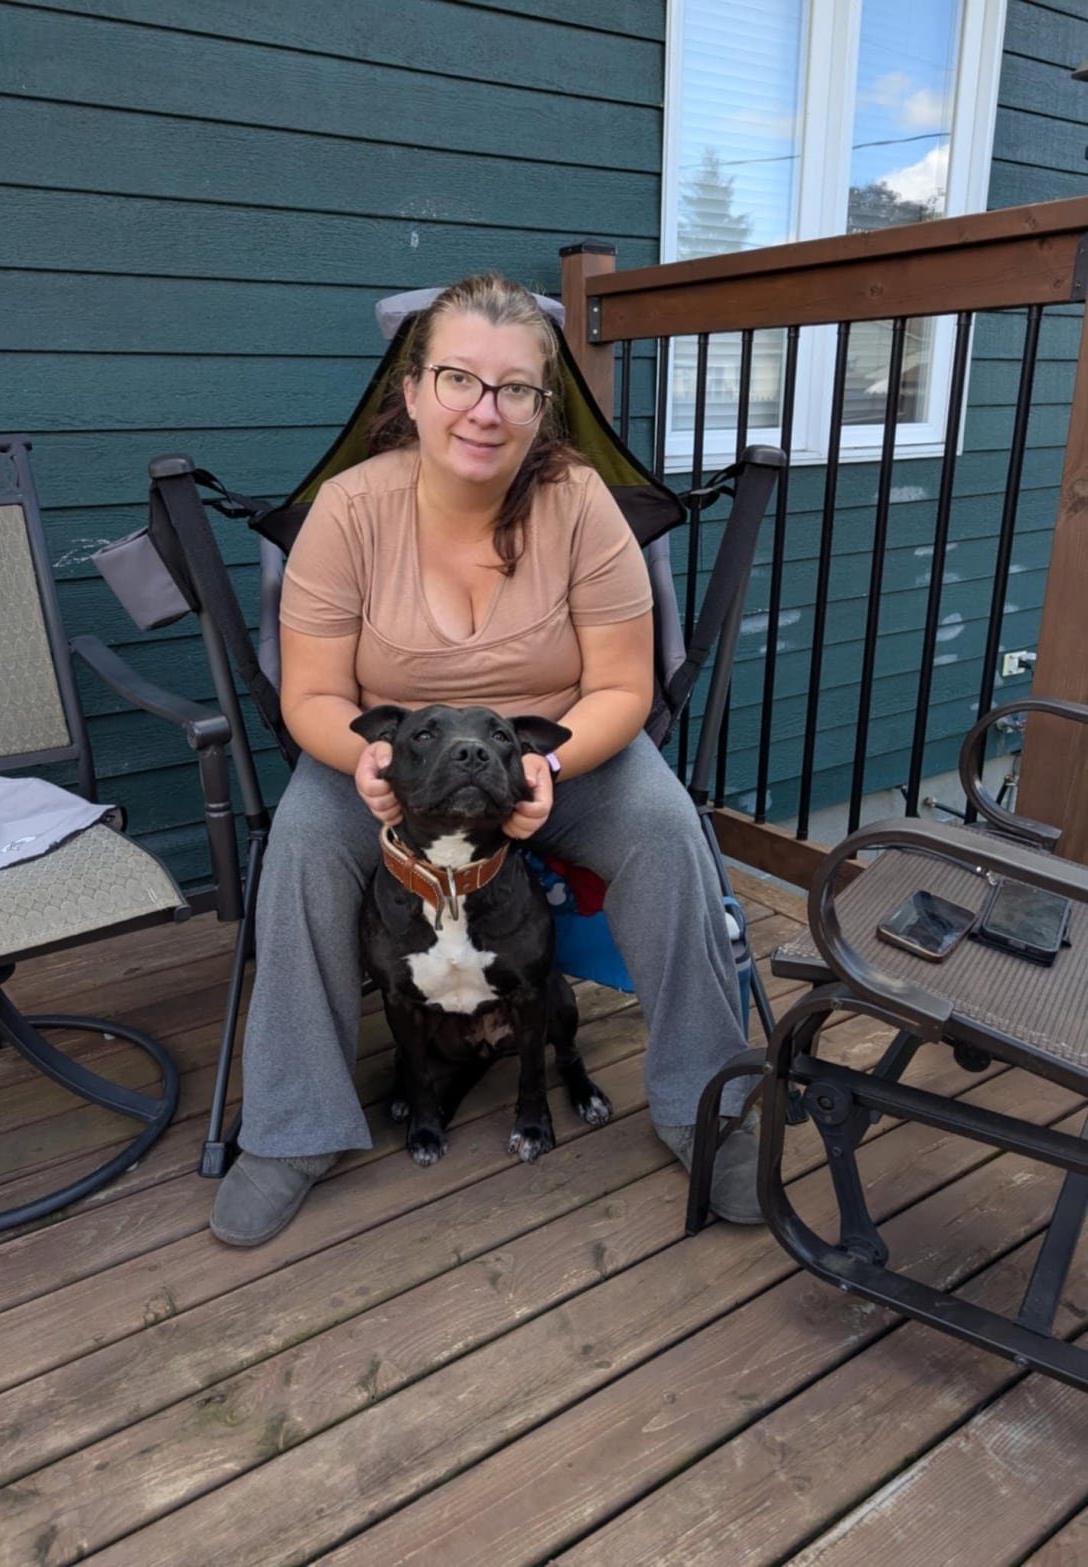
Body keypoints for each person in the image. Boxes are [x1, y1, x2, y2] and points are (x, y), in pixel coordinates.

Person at [209, 272, 761, 1247]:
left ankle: (704, 1104)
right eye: (459, 378)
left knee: (670, 832)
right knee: (298, 842)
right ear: (413, 390)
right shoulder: (347, 510)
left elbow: (625, 687)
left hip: (562, 752)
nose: (484, 409)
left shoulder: (581, 506)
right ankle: (295, 1128)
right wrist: (364, 760)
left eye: (514, 388)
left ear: (543, 407)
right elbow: (311, 695)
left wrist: (550, 766)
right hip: (384, 760)